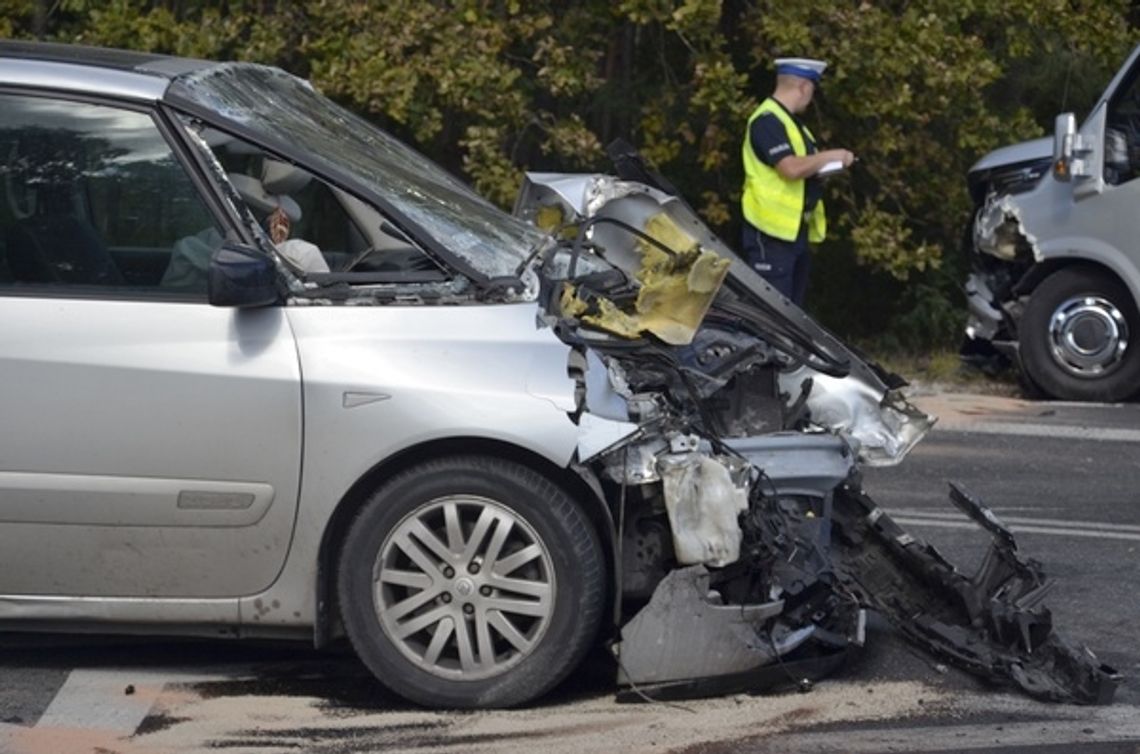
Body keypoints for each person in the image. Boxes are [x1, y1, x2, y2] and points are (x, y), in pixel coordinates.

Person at [741, 57, 854, 306]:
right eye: (811, 90)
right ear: (804, 87)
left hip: (792, 231)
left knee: (792, 314)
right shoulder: (767, 121)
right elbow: (790, 168)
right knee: (772, 316)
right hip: (770, 233)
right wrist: (830, 156)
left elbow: (802, 170)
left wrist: (824, 169)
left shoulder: (792, 124)